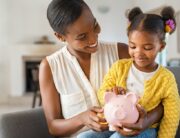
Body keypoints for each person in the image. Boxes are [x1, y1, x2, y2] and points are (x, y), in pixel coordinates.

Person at [39, 0, 163, 137]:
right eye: (82, 37)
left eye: (95, 25)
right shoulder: (50, 67)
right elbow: (53, 127)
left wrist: (146, 121)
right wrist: (81, 119)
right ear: (60, 36)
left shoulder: (121, 52)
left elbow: (162, 96)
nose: (93, 39)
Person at [93, 6, 180, 138]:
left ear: (161, 46)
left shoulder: (166, 78)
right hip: (116, 124)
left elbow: (172, 115)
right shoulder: (119, 67)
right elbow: (102, 93)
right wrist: (110, 93)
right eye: (132, 46)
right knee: (85, 136)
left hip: (147, 129)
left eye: (147, 47)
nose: (138, 53)